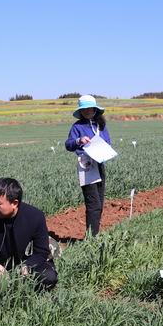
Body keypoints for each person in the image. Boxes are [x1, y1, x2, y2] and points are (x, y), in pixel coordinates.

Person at [65, 94, 112, 236]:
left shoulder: (101, 126)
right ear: (80, 111)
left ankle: (94, 235)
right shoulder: (77, 127)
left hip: (99, 164)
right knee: (93, 204)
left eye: (90, 108)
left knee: (100, 202)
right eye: (84, 109)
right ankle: (91, 238)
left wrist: (104, 149)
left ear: (95, 109)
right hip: (86, 166)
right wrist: (79, 140)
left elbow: (108, 142)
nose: (87, 111)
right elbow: (68, 144)